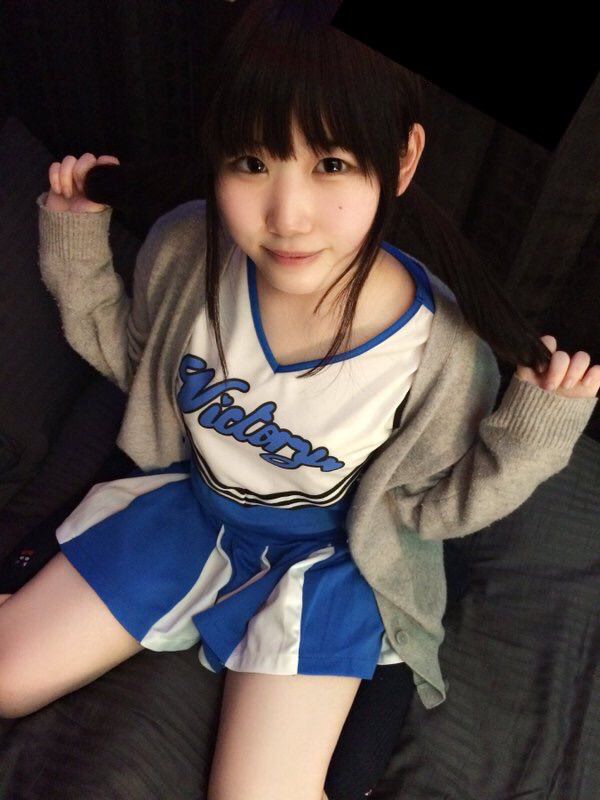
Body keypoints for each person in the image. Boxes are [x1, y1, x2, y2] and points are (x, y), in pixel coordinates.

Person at [0, 2, 598, 799]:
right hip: (191, 511)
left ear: (403, 158)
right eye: (252, 162)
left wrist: (532, 437)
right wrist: (75, 239)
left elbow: (434, 509)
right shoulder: (186, 250)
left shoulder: (444, 353)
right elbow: (130, 362)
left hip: (329, 560)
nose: (287, 215)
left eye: (333, 164)